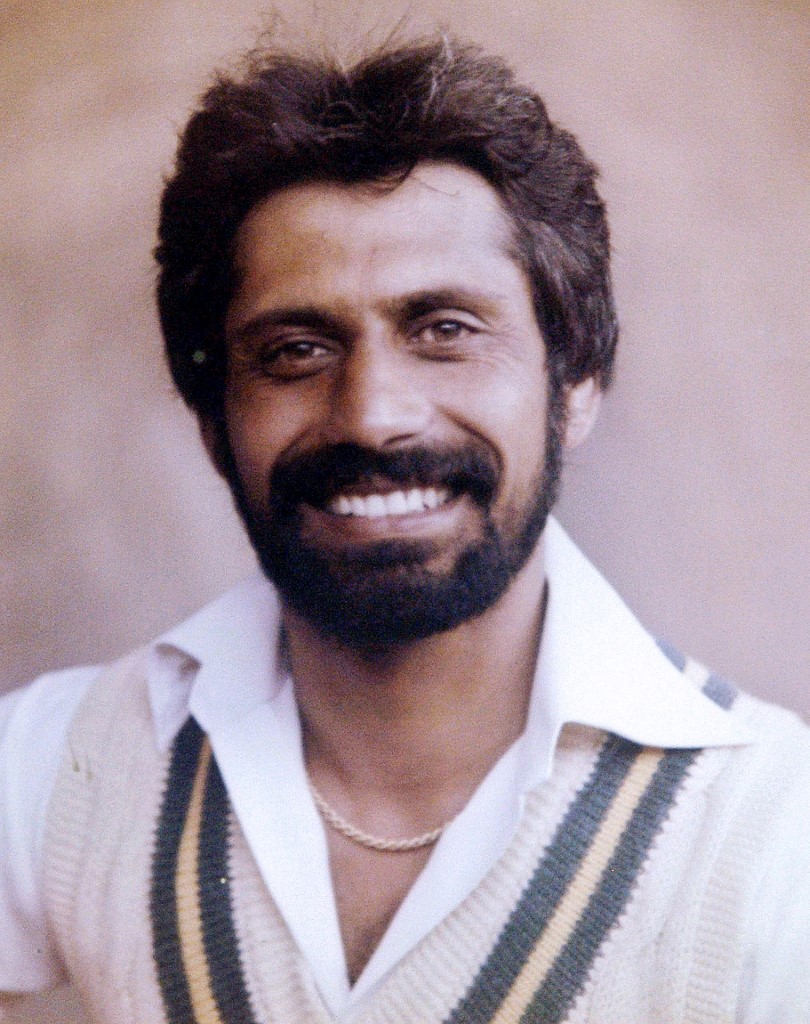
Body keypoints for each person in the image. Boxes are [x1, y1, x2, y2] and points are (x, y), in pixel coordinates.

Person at [1, 33, 808, 1024]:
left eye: (445, 331)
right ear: (213, 422)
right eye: (296, 351)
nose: (374, 415)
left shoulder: (774, 833)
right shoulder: (60, 761)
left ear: (576, 386)